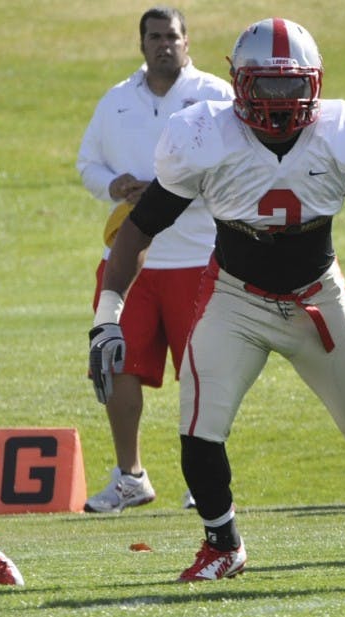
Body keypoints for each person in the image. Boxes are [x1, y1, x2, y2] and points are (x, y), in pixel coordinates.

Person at [87, 18, 345, 581]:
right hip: (235, 296)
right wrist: (108, 321)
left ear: (315, 83)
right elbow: (138, 229)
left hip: (316, 294)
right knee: (200, 423)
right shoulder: (204, 136)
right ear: (237, 84)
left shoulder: (344, 137)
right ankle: (223, 544)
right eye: (266, 86)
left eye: (291, 85)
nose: (280, 102)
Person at [77, 7, 234, 512]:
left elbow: (241, 167)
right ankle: (130, 477)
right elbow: (88, 165)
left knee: (202, 369)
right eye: (154, 36)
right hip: (128, 260)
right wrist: (116, 185)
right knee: (118, 363)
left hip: (199, 254)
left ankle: (203, 480)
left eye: (172, 36)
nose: (164, 44)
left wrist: (176, 193)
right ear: (141, 43)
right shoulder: (116, 100)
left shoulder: (216, 96)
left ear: (188, 42)